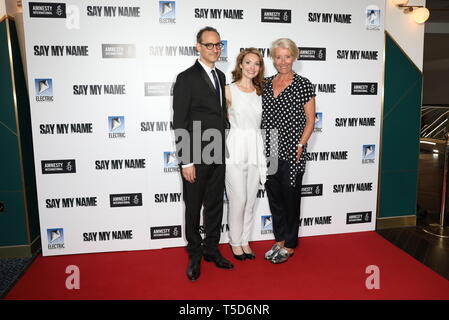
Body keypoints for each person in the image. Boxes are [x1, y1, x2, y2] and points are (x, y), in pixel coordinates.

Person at [172, 26, 234, 281]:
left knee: (215, 204)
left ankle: (212, 249)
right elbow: (180, 120)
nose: (215, 49)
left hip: (217, 151)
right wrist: (186, 160)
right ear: (198, 47)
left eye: (218, 45)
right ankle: (195, 254)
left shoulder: (220, 76)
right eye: (210, 45)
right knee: (194, 207)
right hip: (195, 155)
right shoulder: (186, 78)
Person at [261, 38, 316, 264]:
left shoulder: (303, 84)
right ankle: (280, 240)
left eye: (287, 56)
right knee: (275, 197)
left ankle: (290, 244)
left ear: (294, 57)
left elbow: (311, 121)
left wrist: (301, 144)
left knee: (290, 198)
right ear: (273, 58)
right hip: (271, 146)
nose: (282, 61)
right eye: (278, 57)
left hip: (293, 147)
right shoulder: (264, 83)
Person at [224, 48, 267, 261]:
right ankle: (234, 242)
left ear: (260, 68)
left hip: (256, 148)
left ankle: (245, 240)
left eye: (256, 64)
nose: (252, 67)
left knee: (250, 200)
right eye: (248, 62)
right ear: (240, 64)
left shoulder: (262, 91)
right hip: (234, 147)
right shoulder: (228, 90)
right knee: (238, 199)